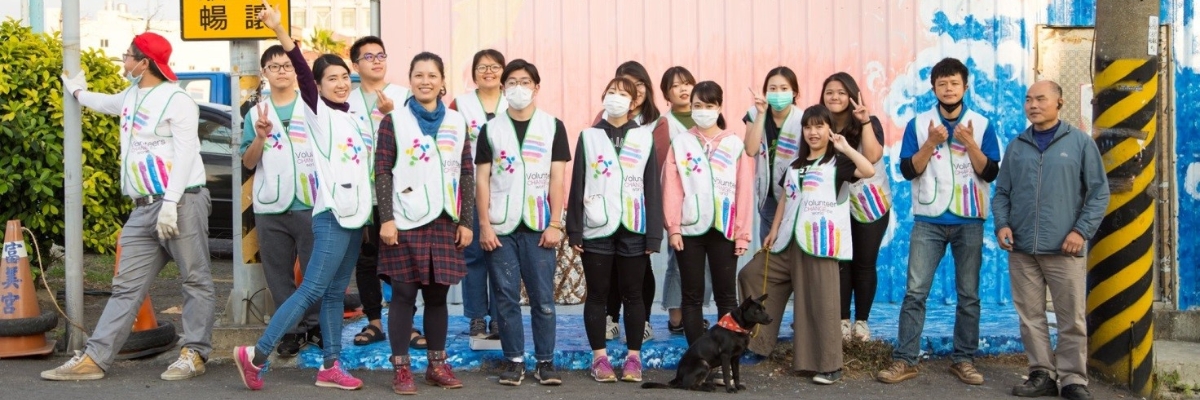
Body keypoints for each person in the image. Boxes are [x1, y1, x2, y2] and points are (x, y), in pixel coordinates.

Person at [45, 32, 214, 382]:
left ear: (144, 63)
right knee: (125, 287)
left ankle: (194, 352)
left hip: (180, 202)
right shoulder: (133, 95)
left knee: (195, 280)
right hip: (142, 209)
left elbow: (186, 154)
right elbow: (108, 103)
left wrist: (170, 203)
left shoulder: (178, 100)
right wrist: (76, 91)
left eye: (127, 56)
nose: (124, 62)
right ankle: (95, 358)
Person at [233, 4, 372, 391]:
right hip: (329, 216)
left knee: (332, 294)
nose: (341, 83)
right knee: (311, 288)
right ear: (318, 85)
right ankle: (256, 355)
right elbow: (300, 70)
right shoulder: (318, 111)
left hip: (353, 217)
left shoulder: (352, 116)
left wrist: (368, 219)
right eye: (332, 79)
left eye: (345, 76)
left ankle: (330, 366)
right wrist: (280, 30)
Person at [876, 57, 1001, 386]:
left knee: (969, 294)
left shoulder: (982, 124)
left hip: (969, 219)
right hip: (928, 220)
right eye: (942, 83)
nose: (948, 89)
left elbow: (990, 171)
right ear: (933, 88)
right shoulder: (919, 125)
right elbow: (907, 171)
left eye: (954, 83)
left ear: (965, 86)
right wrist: (931, 142)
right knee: (915, 292)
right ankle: (905, 359)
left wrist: (970, 143)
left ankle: (964, 359)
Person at [738, 104, 875, 385]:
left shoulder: (838, 164)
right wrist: (773, 231)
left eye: (819, 126)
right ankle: (760, 342)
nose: (813, 132)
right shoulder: (795, 166)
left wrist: (845, 147)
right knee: (751, 274)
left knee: (820, 303)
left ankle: (828, 365)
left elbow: (869, 169)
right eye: (808, 127)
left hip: (818, 242)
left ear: (829, 130)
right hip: (788, 241)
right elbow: (786, 200)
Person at [994, 80, 1108, 400]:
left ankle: (1073, 380)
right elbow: (1003, 192)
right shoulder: (1017, 145)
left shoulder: (1080, 143)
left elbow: (1099, 193)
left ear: (1059, 102)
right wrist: (1002, 224)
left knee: (1070, 317)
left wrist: (1080, 231)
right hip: (1021, 249)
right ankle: (1041, 374)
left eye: (1041, 99)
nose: (1033, 104)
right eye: (1028, 99)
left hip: (1065, 248)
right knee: (1030, 316)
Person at [374, 51, 473, 395]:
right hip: (405, 218)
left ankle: (437, 365)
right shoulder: (394, 121)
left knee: (437, 296)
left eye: (432, 75)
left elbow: (466, 173)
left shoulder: (458, 123)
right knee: (402, 295)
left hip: (446, 220)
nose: (425, 81)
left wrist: (467, 220)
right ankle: (402, 369)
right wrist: (386, 219)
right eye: (418, 75)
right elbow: (382, 170)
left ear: (443, 81)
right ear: (411, 79)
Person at [475, 59, 571, 386]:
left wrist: (556, 223)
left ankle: (545, 362)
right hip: (500, 228)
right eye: (512, 82)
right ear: (503, 88)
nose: (519, 88)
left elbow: (558, 180)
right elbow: (483, 181)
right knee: (505, 298)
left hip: (540, 226)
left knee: (543, 299)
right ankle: (514, 360)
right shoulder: (491, 129)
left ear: (537, 87)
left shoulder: (553, 126)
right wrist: (485, 225)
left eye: (526, 81)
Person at [569, 76, 663, 383]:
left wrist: (653, 233)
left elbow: (652, 186)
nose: (617, 97)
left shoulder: (645, 138)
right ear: (603, 96)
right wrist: (574, 230)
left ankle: (634, 358)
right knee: (597, 294)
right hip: (596, 225)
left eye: (624, 94)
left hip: (634, 226)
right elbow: (578, 182)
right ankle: (600, 358)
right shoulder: (589, 136)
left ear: (635, 101)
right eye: (611, 91)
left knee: (633, 294)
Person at [238, 45, 320, 357]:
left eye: (287, 65)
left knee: (316, 271)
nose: (282, 70)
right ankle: (290, 332)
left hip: (311, 202)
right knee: (278, 275)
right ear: (265, 73)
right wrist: (259, 136)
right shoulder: (257, 113)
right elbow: (248, 162)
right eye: (274, 66)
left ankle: (315, 326)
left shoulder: (311, 107)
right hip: (271, 205)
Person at [661, 81, 753, 344]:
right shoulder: (682, 142)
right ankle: (698, 355)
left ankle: (726, 353)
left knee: (726, 295)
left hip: (724, 229)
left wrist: (742, 234)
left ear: (719, 107)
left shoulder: (734, 144)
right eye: (697, 106)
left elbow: (743, 190)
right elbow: (671, 187)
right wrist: (673, 228)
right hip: (689, 229)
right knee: (692, 295)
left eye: (708, 105)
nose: (703, 111)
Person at [345, 35, 412, 349]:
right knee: (367, 258)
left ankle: (407, 323)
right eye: (368, 56)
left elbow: (417, 141)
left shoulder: (404, 96)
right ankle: (374, 322)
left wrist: (392, 114)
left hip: (400, 193)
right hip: (362, 194)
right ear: (355, 64)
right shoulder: (347, 101)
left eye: (380, 55)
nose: (376, 60)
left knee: (403, 258)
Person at [594, 61, 661, 343]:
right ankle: (612, 317)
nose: (631, 90)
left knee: (640, 270)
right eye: (622, 85)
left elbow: (657, 166)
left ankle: (642, 321)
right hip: (608, 207)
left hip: (640, 206)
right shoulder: (603, 119)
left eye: (638, 84)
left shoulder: (658, 122)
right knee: (609, 268)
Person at [819, 72, 889, 341]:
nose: (834, 97)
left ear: (851, 95)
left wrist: (865, 122)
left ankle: (862, 321)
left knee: (864, 262)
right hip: (835, 203)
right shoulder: (819, 123)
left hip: (870, 202)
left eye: (840, 92)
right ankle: (842, 321)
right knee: (841, 262)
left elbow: (872, 156)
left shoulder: (867, 121)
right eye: (829, 92)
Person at [450, 49, 508, 338]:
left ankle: (499, 316)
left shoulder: (514, 102)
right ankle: (475, 316)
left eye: (495, 66)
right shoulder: (460, 104)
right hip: (470, 191)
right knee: (472, 255)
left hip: (507, 191)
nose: (489, 71)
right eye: (483, 67)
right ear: (473, 73)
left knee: (500, 255)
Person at [654, 66, 714, 335]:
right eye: (676, 85)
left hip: (707, 204)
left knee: (703, 264)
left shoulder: (708, 120)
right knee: (678, 262)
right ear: (666, 93)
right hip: (680, 204)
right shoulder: (666, 123)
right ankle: (677, 317)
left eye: (688, 83)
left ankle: (694, 313)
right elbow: (664, 170)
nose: (683, 89)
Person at [743, 67, 804, 241]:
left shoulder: (802, 119)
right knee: (769, 248)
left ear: (794, 93)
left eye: (784, 89)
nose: (778, 93)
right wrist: (761, 115)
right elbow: (750, 150)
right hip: (768, 195)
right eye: (773, 88)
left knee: (792, 246)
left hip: (794, 193)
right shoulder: (754, 113)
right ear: (765, 92)